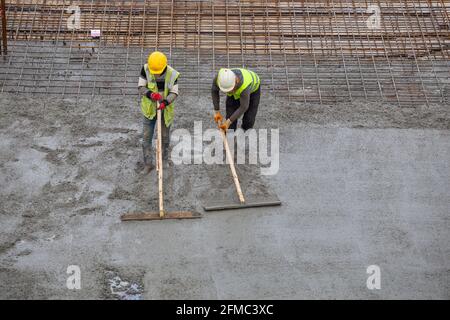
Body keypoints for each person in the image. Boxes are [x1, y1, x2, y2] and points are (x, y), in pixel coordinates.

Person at [138, 51, 180, 174]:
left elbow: (174, 92)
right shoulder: (146, 69)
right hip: (149, 110)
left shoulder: (172, 74)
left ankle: (164, 160)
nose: (155, 76)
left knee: (165, 137)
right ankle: (148, 164)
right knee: (146, 138)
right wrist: (151, 94)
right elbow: (141, 87)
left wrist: (165, 102)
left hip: (165, 109)